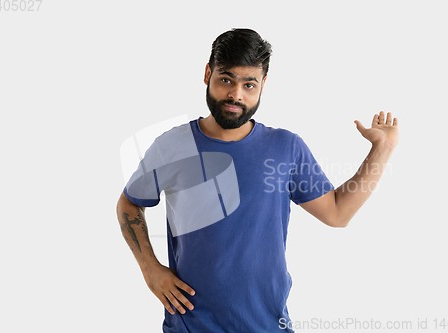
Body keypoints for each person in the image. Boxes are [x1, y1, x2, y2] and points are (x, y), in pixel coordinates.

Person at [116, 28, 399, 332]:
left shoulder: (284, 147)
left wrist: (382, 149)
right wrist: (150, 268)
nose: (236, 94)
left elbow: (338, 213)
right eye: (226, 79)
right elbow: (130, 203)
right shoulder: (172, 146)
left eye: (249, 84)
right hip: (190, 324)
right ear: (207, 73)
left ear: (262, 85)